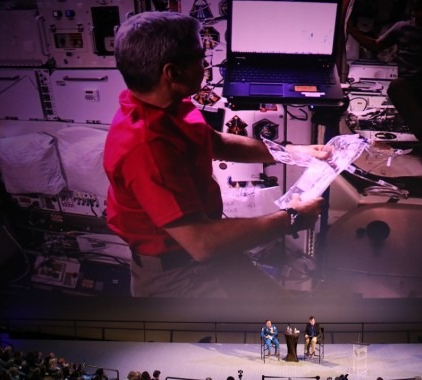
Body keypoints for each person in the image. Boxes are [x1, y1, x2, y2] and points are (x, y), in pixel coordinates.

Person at [103, 11, 330, 298]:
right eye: (199, 57)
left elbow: (215, 141)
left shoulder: (166, 105)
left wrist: (291, 153)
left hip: (208, 256)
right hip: (179, 276)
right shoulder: (147, 147)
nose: (206, 64)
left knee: (286, 316)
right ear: (173, 72)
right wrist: (292, 219)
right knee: (274, 332)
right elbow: (202, 243)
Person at [347, 0, 422, 158]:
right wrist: (351, 30)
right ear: (413, 11)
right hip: (410, 86)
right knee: (396, 86)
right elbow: (376, 45)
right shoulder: (402, 27)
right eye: (420, 10)